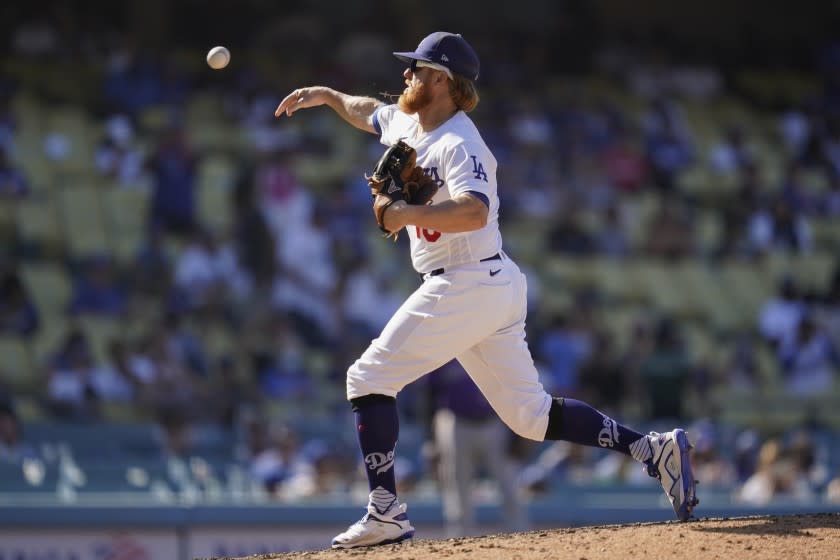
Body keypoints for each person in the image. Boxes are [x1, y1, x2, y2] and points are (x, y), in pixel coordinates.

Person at [275, 31, 698, 549]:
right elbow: (369, 111)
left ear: (444, 81)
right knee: (532, 417)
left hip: (468, 278)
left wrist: (404, 212)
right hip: (486, 283)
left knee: (367, 378)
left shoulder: (461, 143)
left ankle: (385, 511)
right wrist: (325, 95)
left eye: (418, 68)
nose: (407, 74)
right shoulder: (410, 122)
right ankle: (653, 451)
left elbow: (475, 210)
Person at [428, 360, 528, 537]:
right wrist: (431, 437)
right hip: (456, 423)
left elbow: (515, 390)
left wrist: (517, 434)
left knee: (508, 482)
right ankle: (459, 538)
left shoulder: (493, 344)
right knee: (457, 484)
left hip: (495, 422)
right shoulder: (445, 348)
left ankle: (521, 533)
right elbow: (429, 395)